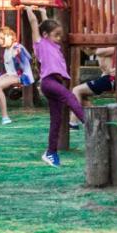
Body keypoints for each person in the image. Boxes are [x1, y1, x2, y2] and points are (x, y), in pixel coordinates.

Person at [33, 17, 85, 167]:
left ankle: (51, 152)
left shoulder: (53, 45)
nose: (59, 38)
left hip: (55, 82)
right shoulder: (40, 44)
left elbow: (46, 24)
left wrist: (43, 12)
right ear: (45, 35)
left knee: (56, 120)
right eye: (56, 34)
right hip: (48, 82)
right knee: (70, 96)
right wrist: (28, 9)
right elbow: (33, 23)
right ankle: (87, 122)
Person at [69, 46, 116, 129]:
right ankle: (96, 117)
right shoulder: (101, 51)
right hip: (106, 79)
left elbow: (97, 52)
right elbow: (90, 52)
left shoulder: (113, 48)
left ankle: (73, 123)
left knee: (76, 90)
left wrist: (87, 47)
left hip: (110, 80)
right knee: (79, 95)